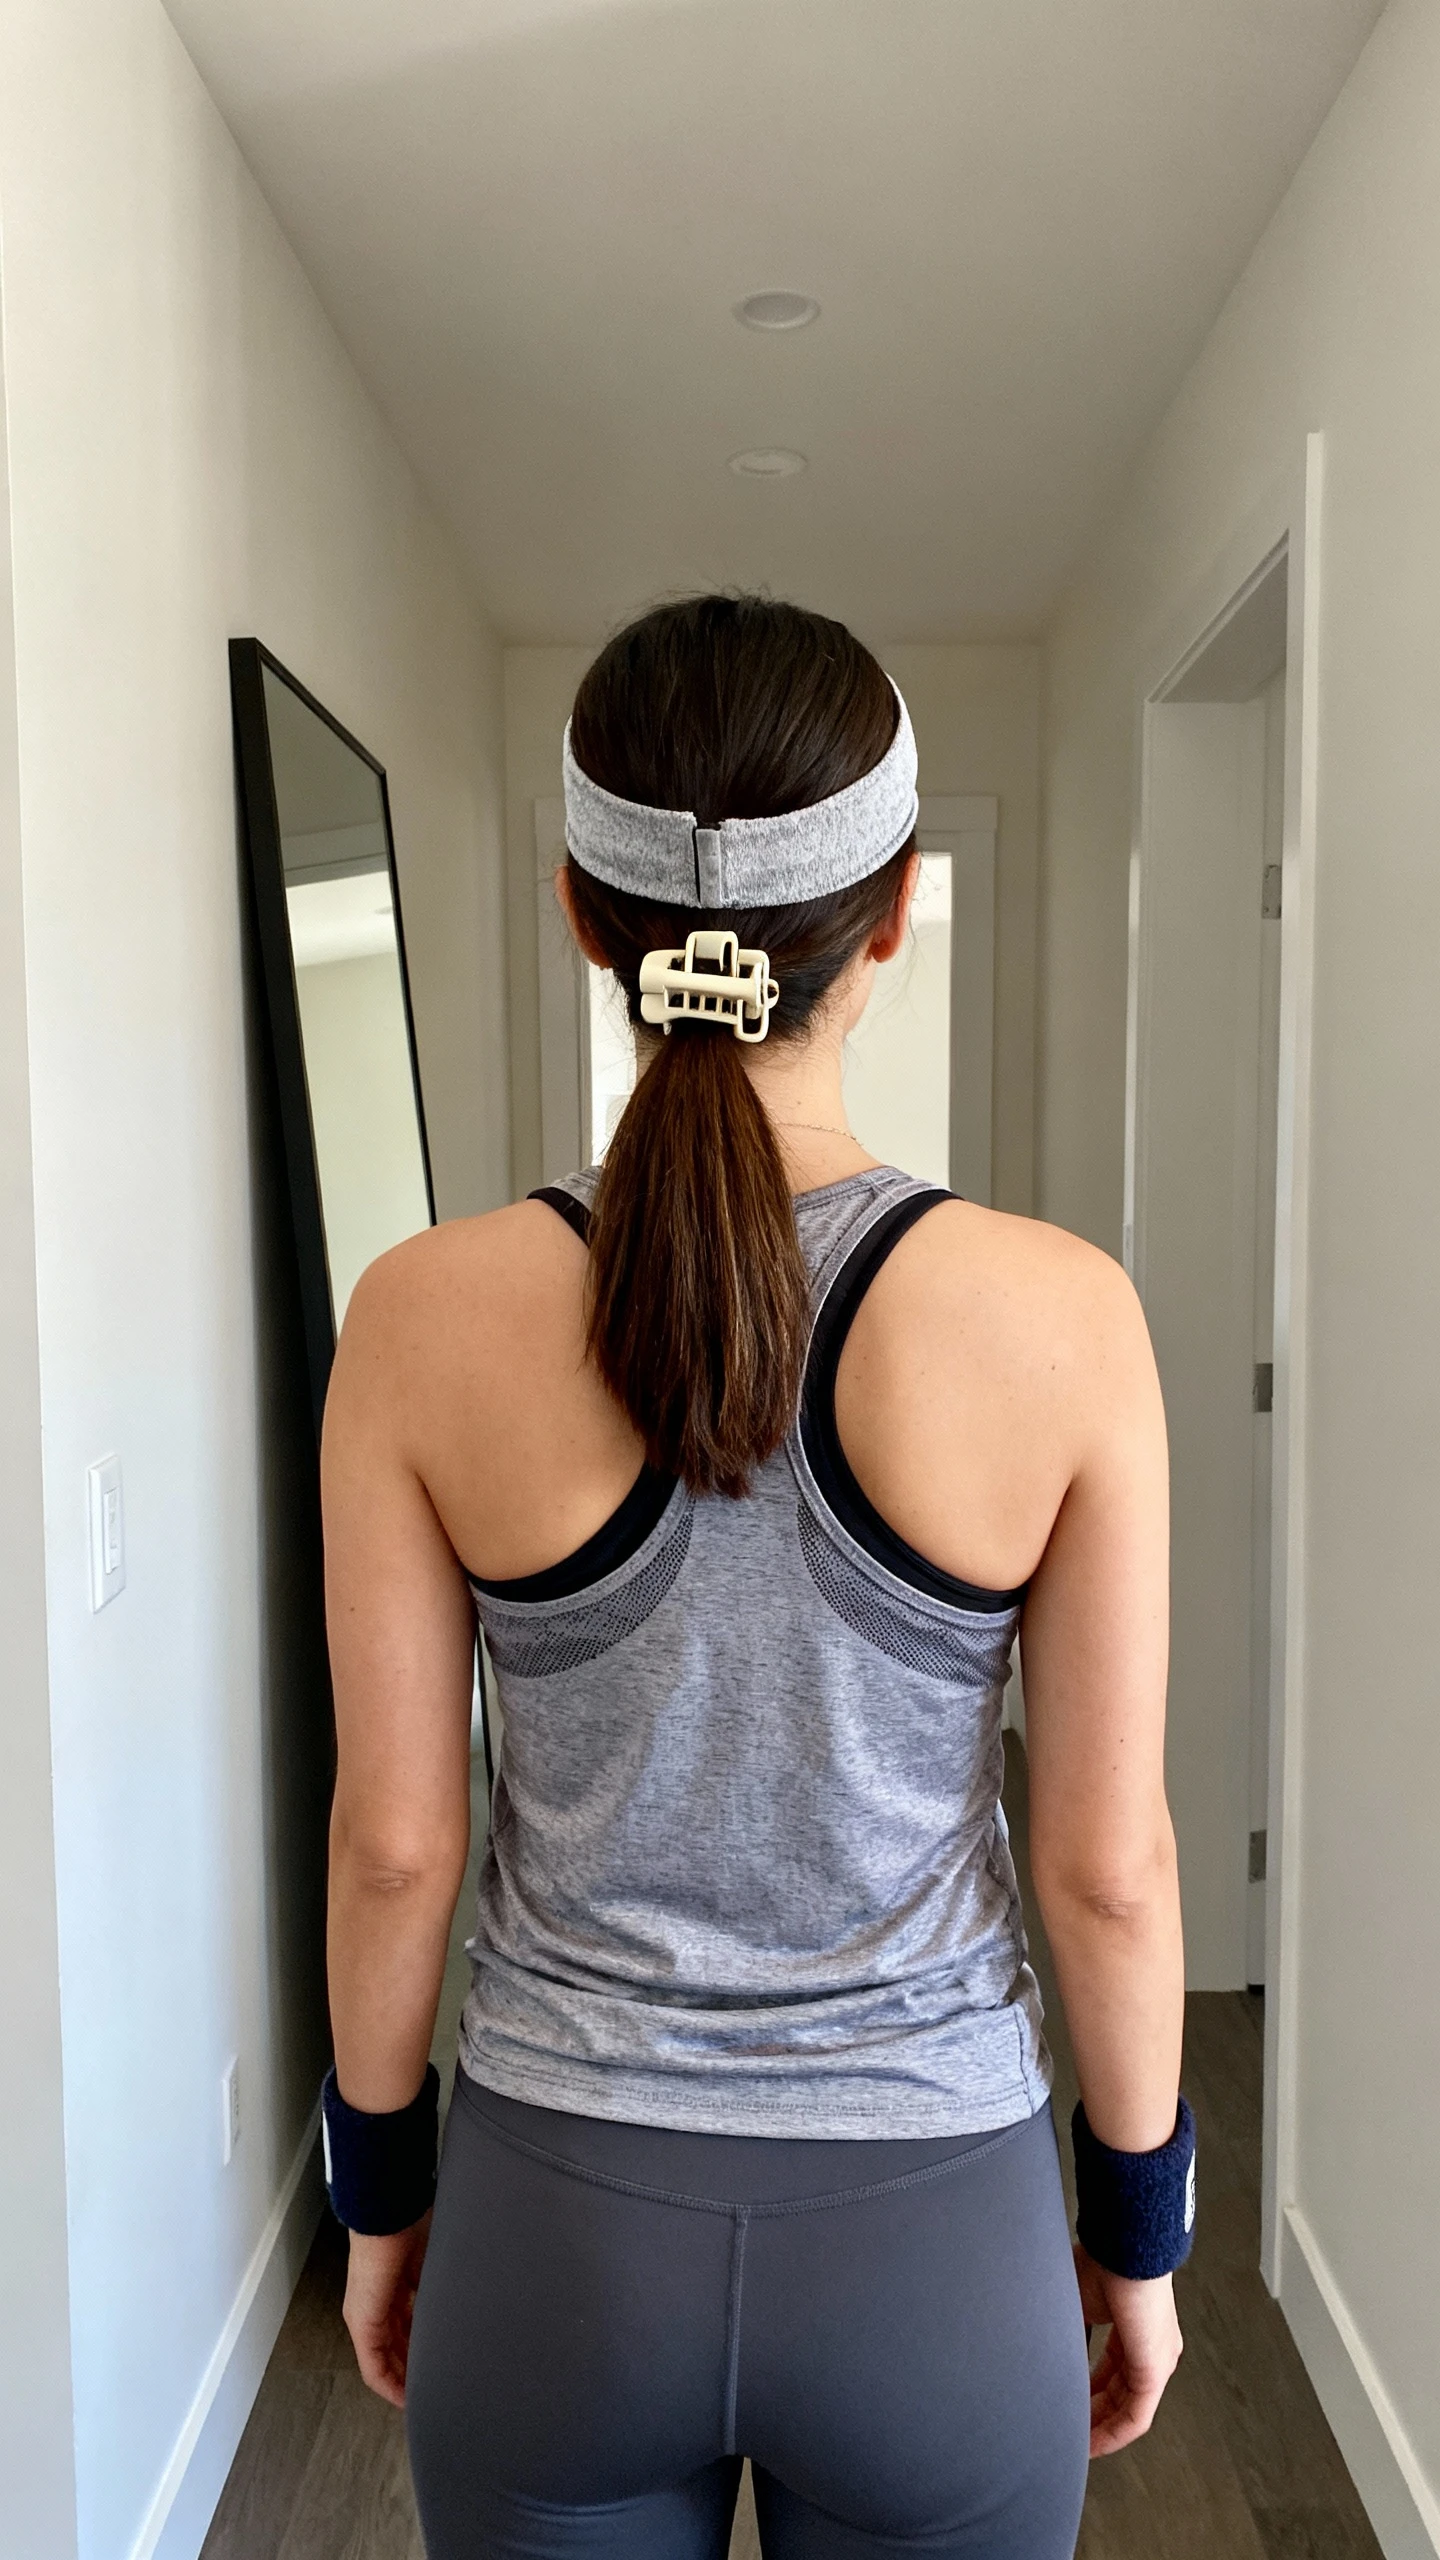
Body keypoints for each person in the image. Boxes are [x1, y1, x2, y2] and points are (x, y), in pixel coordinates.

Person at [319, 595, 1190, 2560]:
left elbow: (395, 1846)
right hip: (934, 2244)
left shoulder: (421, 1316)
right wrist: (1140, 2229)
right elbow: (1111, 1867)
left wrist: (380, 2199)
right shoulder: (1061, 1319)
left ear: (580, 913)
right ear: (890, 919)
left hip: (558, 2240)